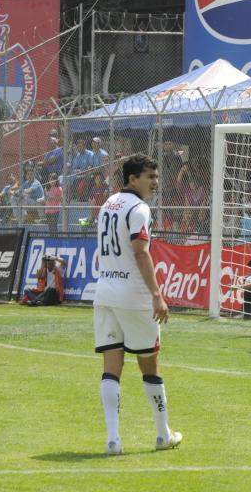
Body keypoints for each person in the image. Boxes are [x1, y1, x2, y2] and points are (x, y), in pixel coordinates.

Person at [93, 154, 181, 456]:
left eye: (156, 177)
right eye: (150, 177)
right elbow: (141, 252)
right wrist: (157, 295)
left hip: (104, 292)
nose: (155, 183)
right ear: (133, 179)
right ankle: (162, 434)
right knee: (149, 364)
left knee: (111, 367)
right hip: (133, 295)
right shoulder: (139, 209)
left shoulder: (107, 205)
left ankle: (113, 439)